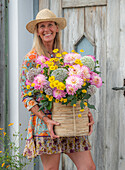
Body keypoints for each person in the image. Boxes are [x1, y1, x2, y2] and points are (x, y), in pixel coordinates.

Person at [20, 9, 96, 170]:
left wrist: (84, 111)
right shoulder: (31, 59)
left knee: (88, 167)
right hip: (45, 123)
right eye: (42, 26)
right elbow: (26, 96)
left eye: (50, 25)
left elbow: (74, 91)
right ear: (37, 32)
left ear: (56, 28)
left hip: (68, 118)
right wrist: (46, 119)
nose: (46, 29)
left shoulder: (64, 57)